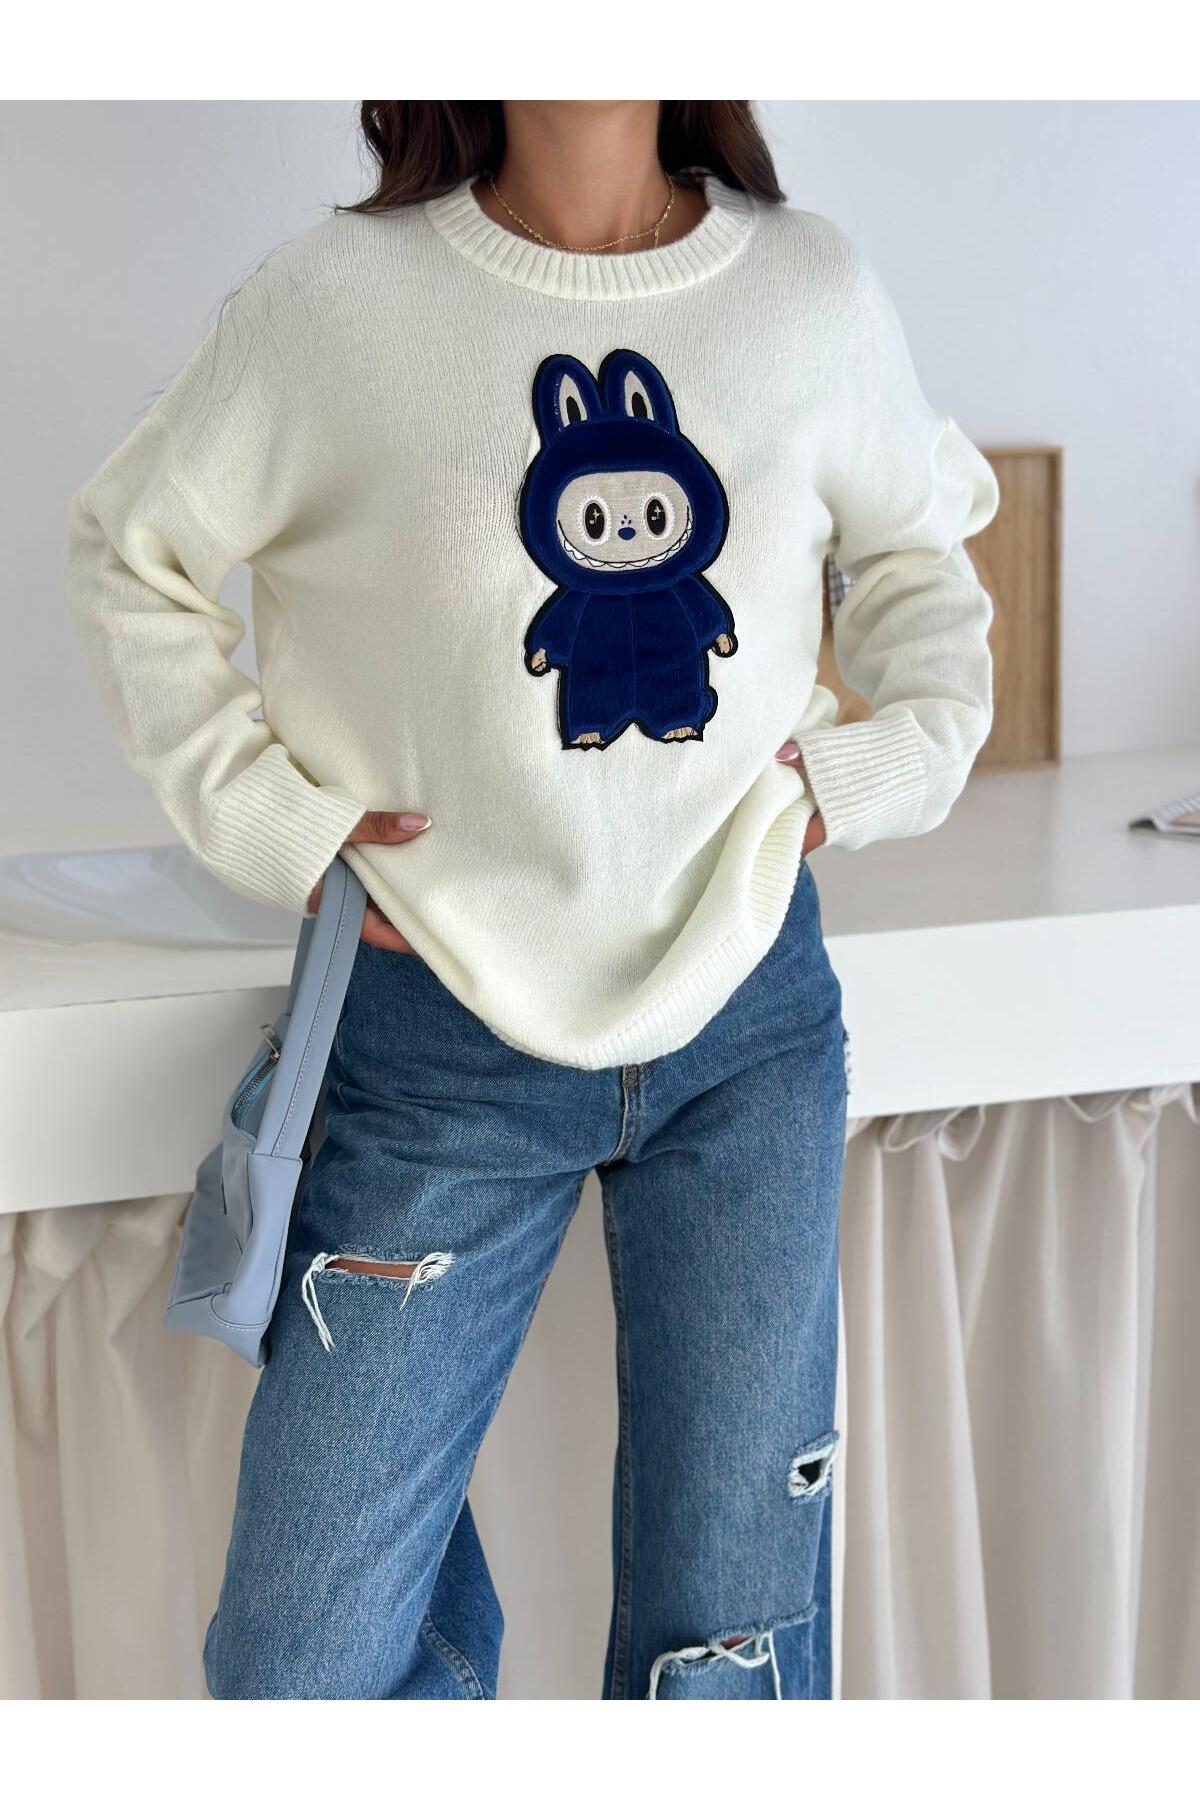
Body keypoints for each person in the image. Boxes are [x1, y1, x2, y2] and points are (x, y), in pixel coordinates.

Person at [65, 100, 999, 1700]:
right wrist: (279, 821)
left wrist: (875, 769)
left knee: (731, 1630)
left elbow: (923, 558)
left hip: (747, 1021)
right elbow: (128, 553)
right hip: (440, 1034)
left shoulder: (808, 294)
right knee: (301, 1670)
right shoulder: (334, 306)